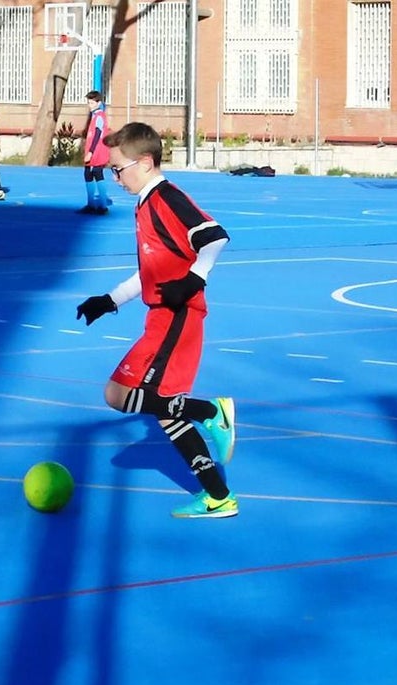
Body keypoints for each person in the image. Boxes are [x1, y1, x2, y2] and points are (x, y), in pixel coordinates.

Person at [75, 121, 237, 519]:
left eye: (119, 169)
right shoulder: (145, 205)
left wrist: (192, 281)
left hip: (177, 317)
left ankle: (211, 412)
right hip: (161, 317)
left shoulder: (166, 198)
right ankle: (218, 496)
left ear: (145, 162)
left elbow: (215, 236)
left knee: (118, 394)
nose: (115, 178)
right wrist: (108, 301)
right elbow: (147, 274)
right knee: (166, 412)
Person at [78, 90, 110, 214]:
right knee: (88, 174)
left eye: (91, 103)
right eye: (88, 103)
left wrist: (91, 152)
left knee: (96, 173)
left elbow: (97, 134)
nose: (89, 105)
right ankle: (91, 203)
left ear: (98, 103)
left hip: (97, 151)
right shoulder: (95, 116)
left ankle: (102, 206)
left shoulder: (99, 116)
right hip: (94, 150)